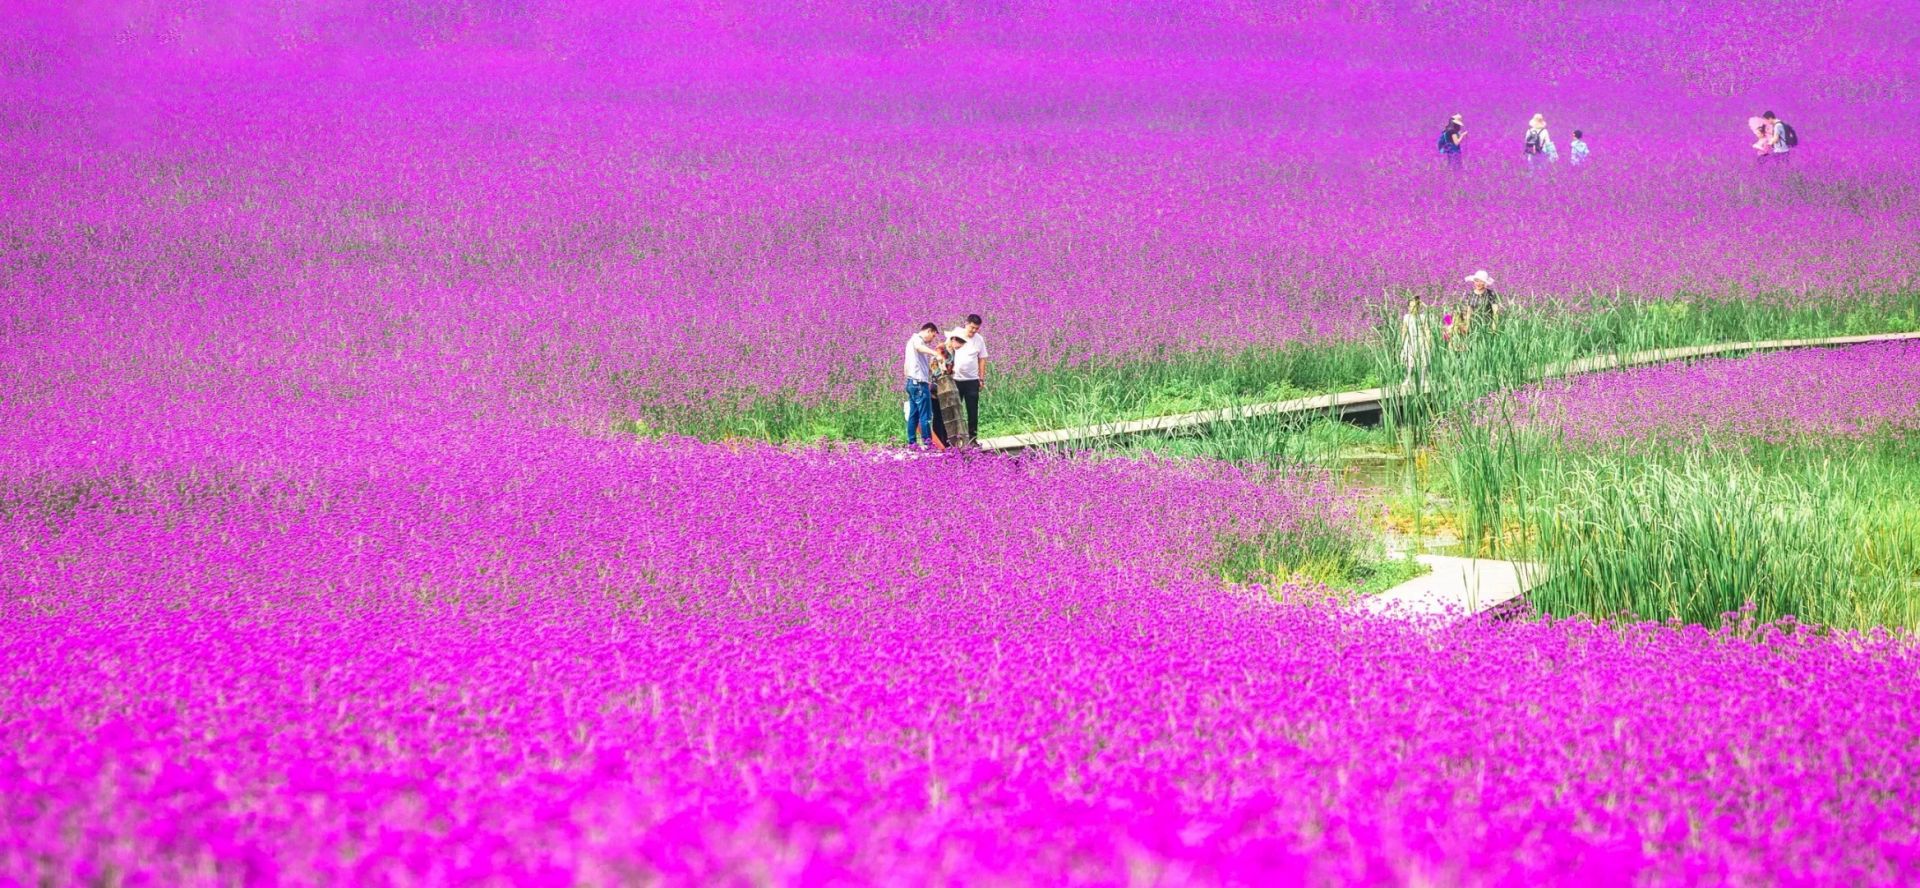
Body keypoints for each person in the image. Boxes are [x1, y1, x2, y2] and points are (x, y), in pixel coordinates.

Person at [949, 314, 987, 439]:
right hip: (956, 380)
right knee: (954, 411)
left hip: (972, 381)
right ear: (966, 324)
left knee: (972, 411)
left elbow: (982, 359)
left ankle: (972, 439)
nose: (974, 331)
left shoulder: (979, 339)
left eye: (977, 328)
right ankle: (954, 438)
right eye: (972, 328)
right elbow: (945, 349)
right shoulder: (956, 333)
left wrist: (981, 379)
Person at [903, 322, 940, 447]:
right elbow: (919, 348)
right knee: (926, 416)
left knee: (914, 415)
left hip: (912, 382)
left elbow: (906, 367)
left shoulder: (911, 342)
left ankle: (912, 443)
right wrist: (935, 354)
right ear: (929, 331)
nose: (933, 339)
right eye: (933, 336)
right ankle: (928, 444)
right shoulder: (917, 340)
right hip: (919, 384)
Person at [932, 331, 971, 448]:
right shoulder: (941, 348)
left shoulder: (952, 352)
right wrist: (944, 369)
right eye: (960, 342)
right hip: (937, 387)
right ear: (953, 340)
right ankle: (940, 443)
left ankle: (948, 442)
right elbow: (935, 369)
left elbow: (950, 369)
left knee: (948, 415)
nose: (960, 346)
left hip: (947, 388)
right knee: (939, 416)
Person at [1401, 292, 1434, 381]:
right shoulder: (1406, 317)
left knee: (1424, 360)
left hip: (1420, 340)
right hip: (1410, 341)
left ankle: (1423, 378)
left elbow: (1427, 330)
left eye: (1415, 306)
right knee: (1409, 360)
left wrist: (1428, 341)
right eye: (1411, 306)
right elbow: (1404, 330)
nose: (1413, 308)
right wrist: (1402, 342)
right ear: (1408, 308)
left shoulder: (1422, 317)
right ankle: (1408, 378)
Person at [1462, 270, 1500, 338]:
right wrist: (1467, 325)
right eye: (1476, 281)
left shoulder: (1491, 294)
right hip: (1473, 326)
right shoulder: (1470, 294)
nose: (1478, 283)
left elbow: (1495, 312)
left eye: (1481, 281)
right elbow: (1469, 312)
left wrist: (1494, 326)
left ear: (1485, 283)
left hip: (1487, 326)